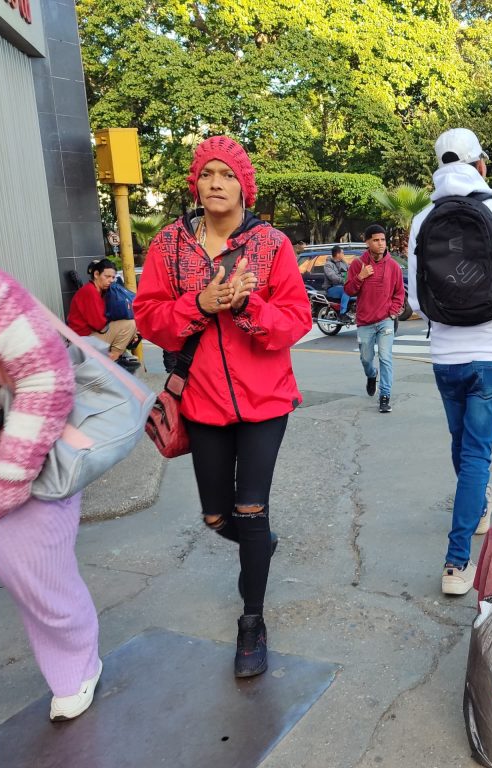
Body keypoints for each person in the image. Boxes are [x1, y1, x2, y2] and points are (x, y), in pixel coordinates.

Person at [133, 136, 312, 678]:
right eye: (207, 173)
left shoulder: (272, 244)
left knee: (251, 508)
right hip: (203, 402)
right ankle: (260, 543)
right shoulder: (169, 245)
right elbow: (147, 315)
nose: (215, 182)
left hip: (265, 402)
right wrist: (200, 303)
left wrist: (247, 305)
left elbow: (295, 321)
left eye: (226, 174)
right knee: (217, 517)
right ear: (196, 182)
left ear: (243, 185)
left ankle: (252, 623)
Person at [0, 253, 102, 722]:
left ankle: (77, 669)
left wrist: (5, 478)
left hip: (12, 483)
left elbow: (47, 377)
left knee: (50, 600)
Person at [407, 127, 492, 596]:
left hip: (444, 356)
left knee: (463, 447)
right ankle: (457, 562)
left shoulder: (423, 220)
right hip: (490, 356)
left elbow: (417, 299)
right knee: (476, 454)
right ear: (482, 164)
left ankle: (478, 506)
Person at [344, 224, 405, 414]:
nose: (380, 244)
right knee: (366, 358)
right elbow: (348, 290)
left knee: (386, 357)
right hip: (365, 322)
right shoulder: (357, 264)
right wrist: (360, 277)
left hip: (386, 321)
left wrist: (393, 312)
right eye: (376, 240)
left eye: (383, 240)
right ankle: (372, 375)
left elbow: (399, 293)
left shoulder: (394, 266)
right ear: (367, 242)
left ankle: (385, 396)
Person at [66, 258, 139, 369]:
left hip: (88, 339)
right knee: (129, 324)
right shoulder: (90, 292)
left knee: (131, 326)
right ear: (96, 274)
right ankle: (113, 359)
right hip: (81, 343)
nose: (110, 280)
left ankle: (117, 356)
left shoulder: (101, 292)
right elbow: (100, 325)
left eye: (113, 277)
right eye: (107, 276)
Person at [323, 245, 352, 318]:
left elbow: (351, 272)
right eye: (343, 253)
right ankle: (342, 313)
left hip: (342, 286)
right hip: (332, 288)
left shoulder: (343, 263)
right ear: (338, 254)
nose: (344, 255)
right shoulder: (328, 265)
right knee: (347, 290)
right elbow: (333, 277)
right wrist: (344, 281)